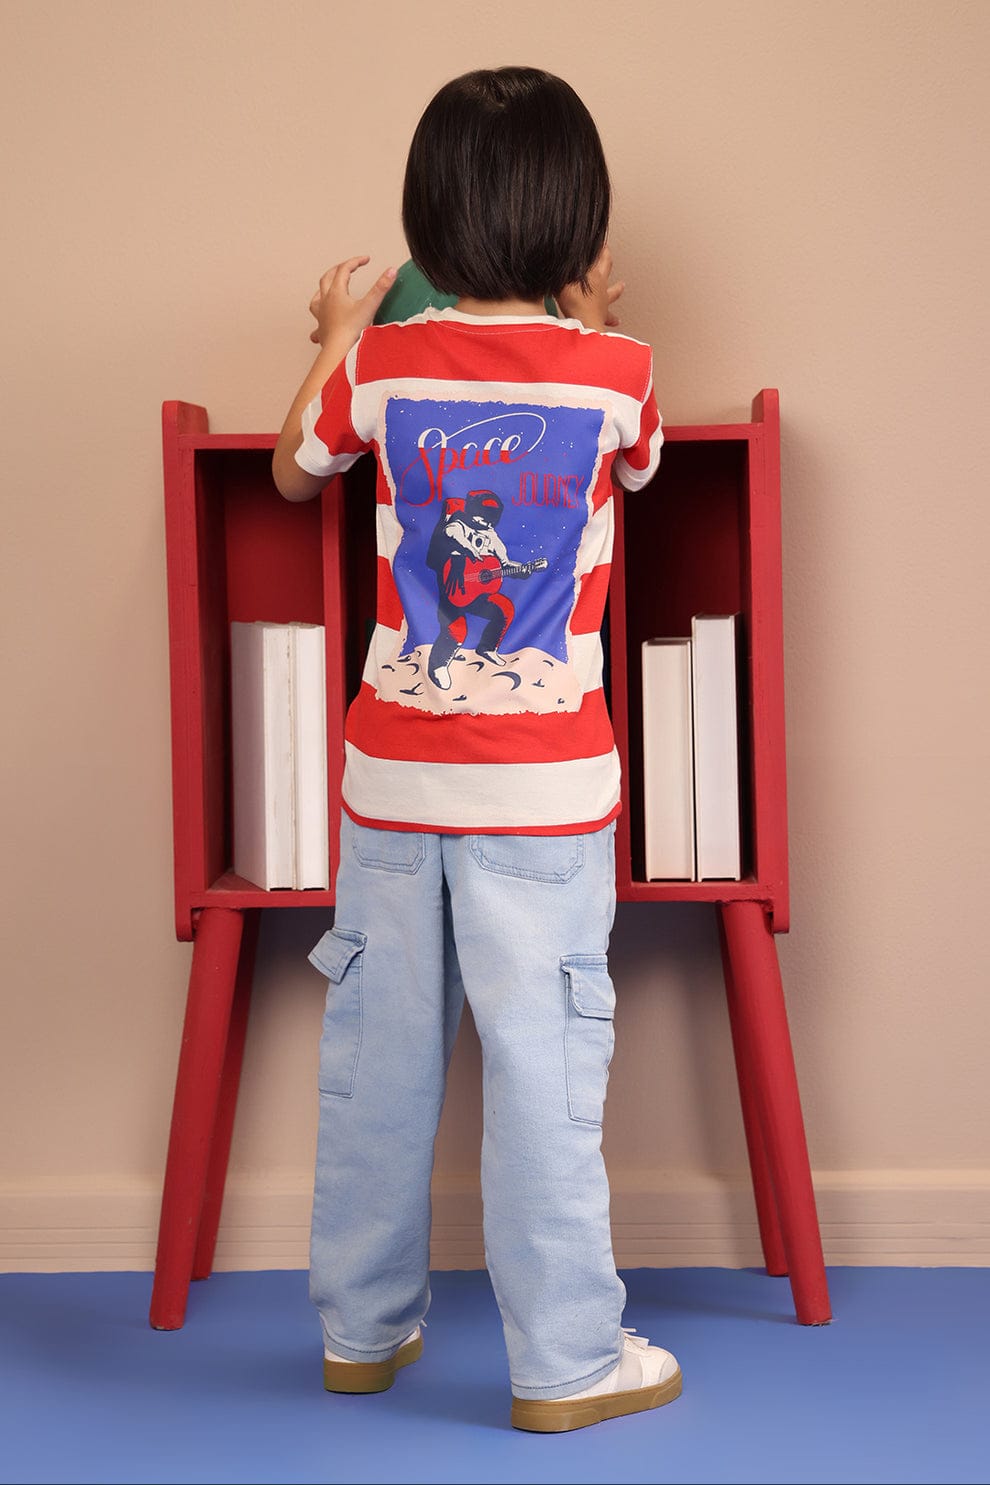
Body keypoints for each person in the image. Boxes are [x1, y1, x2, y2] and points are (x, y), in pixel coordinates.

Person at [271, 66, 676, 1433]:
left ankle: (360, 1332)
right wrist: (588, 321)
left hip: (390, 781)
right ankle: (565, 1360)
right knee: (543, 1070)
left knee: (378, 1060)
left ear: (427, 215)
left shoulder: (384, 366)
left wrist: (337, 333)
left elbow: (292, 470)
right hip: (544, 792)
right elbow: (641, 466)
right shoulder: (620, 373)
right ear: (580, 224)